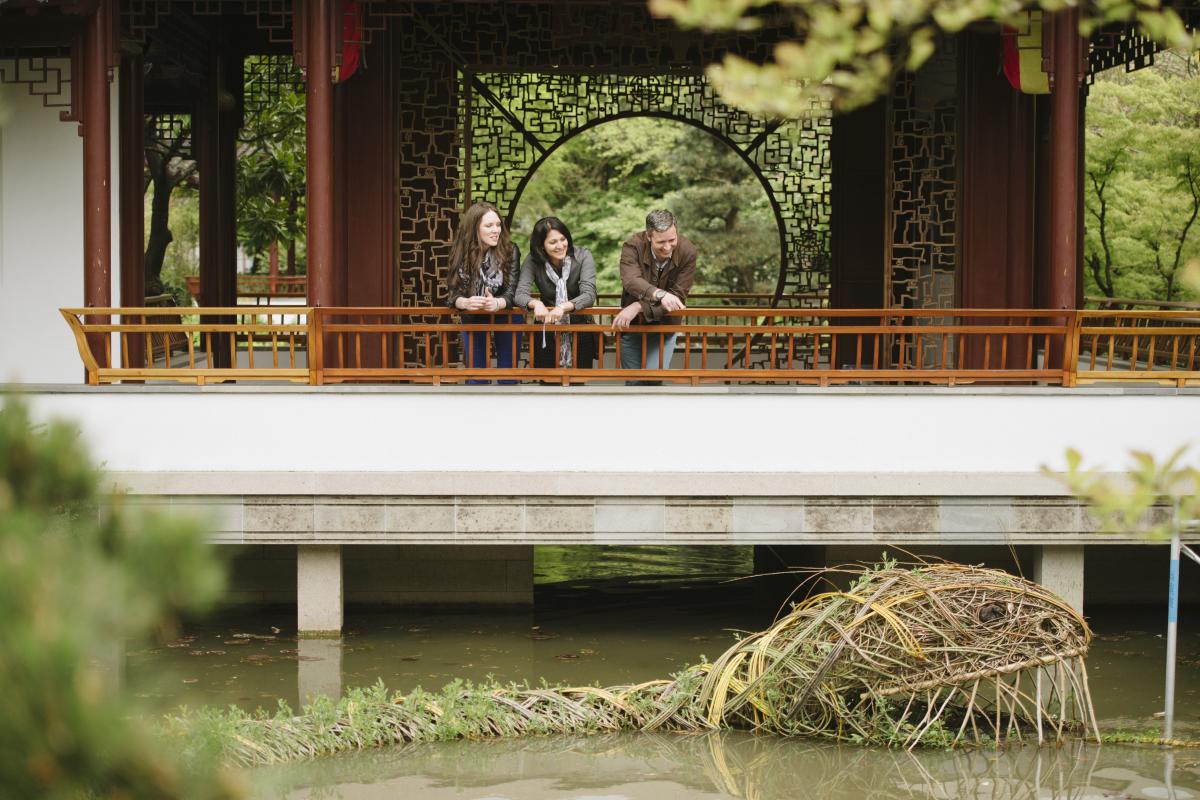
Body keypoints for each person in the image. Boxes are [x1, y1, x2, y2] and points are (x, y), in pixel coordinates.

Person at [611, 209, 697, 385]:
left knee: (654, 381)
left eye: (672, 240)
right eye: (661, 242)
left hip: (665, 326)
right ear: (649, 236)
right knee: (633, 383)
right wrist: (659, 293)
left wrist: (638, 306)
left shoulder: (688, 251)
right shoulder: (632, 246)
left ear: (676, 232)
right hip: (633, 326)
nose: (667, 247)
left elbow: (678, 297)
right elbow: (631, 280)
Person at [446, 201, 521, 383]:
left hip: (505, 315)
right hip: (473, 315)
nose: (496, 230)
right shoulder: (460, 252)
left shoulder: (511, 250)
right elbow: (453, 295)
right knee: (476, 377)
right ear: (474, 228)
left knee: (507, 377)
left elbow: (512, 292)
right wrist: (466, 302)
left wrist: (496, 303)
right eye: (489, 226)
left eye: (498, 225)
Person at [514, 216, 599, 371]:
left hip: (580, 328)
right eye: (553, 242)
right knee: (547, 383)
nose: (560, 246)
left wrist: (563, 307)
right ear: (541, 246)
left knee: (578, 384)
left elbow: (589, 294)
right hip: (546, 330)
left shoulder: (583, 255)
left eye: (563, 239)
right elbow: (520, 294)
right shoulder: (533, 260)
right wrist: (536, 303)